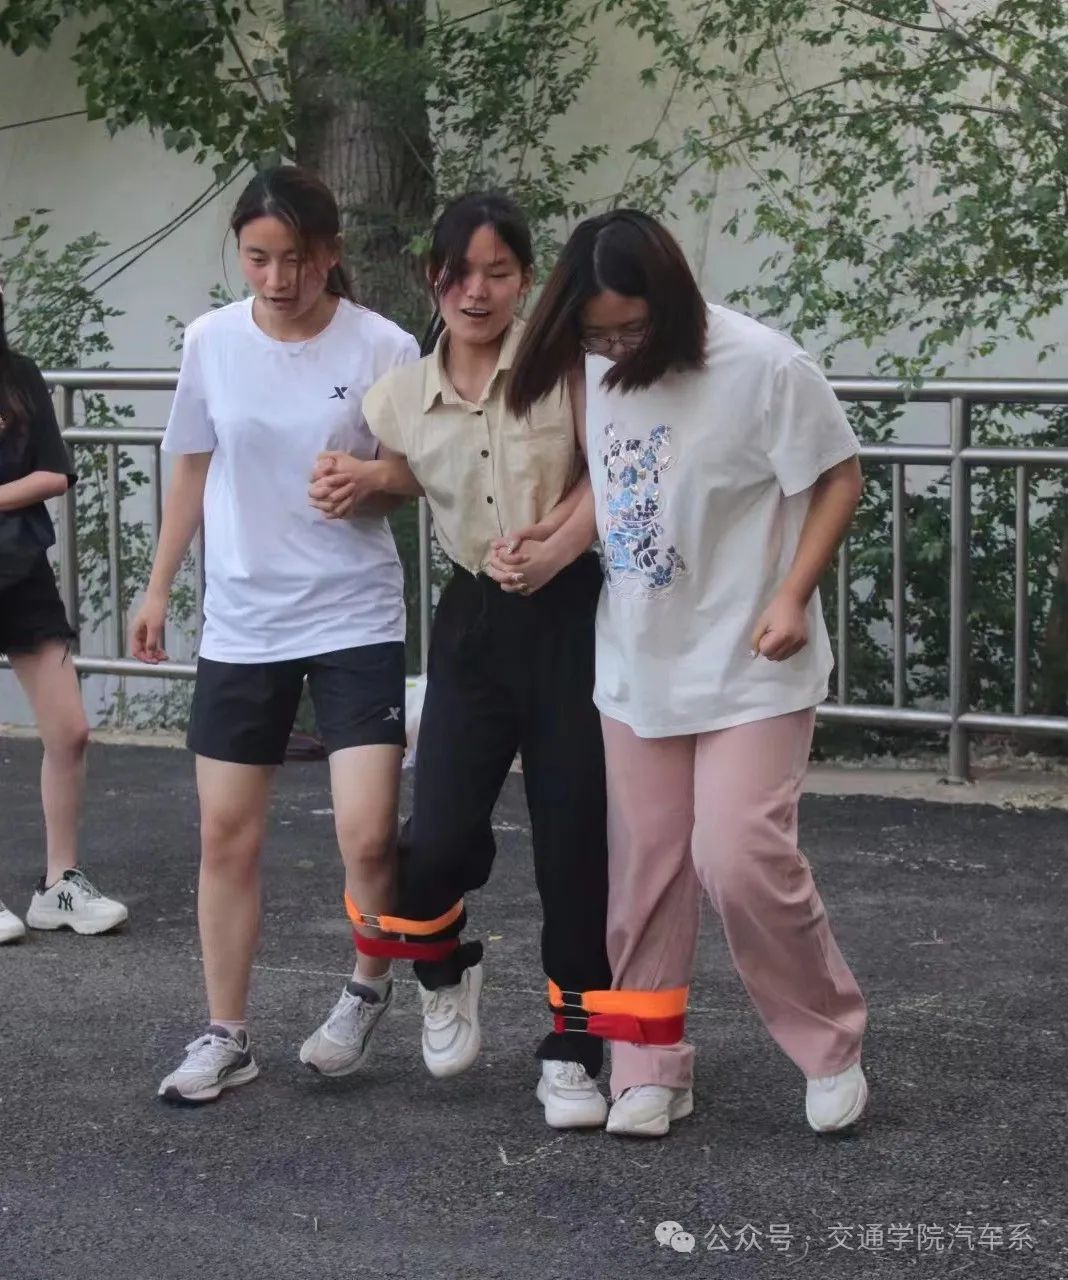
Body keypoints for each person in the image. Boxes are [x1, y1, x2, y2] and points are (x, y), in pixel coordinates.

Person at [505, 210, 869, 1139]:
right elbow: (619, 485)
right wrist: (551, 542)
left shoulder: (764, 366)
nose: (616, 350)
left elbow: (839, 478)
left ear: (670, 300)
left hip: (753, 658)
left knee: (739, 855)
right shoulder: (593, 364)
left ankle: (829, 1043)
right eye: (597, 336)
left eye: (631, 330)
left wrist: (793, 595)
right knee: (645, 875)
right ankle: (647, 1066)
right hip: (639, 660)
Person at [307, 192, 613, 1129]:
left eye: (498, 273)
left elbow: (610, 471)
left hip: (572, 611)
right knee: (436, 835)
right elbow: (415, 470)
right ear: (431, 278)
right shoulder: (396, 397)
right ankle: (443, 967)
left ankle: (575, 1046)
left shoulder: (570, 368)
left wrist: (555, 543)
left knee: (574, 843)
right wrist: (365, 477)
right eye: (458, 274)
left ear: (526, 278)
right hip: (474, 618)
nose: (476, 293)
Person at [130, 165, 418, 1103]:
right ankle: (227, 1033)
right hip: (245, 616)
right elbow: (189, 467)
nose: (278, 278)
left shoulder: (384, 344)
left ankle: (366, 988)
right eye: (258, 258)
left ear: (330, 254)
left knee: (367, 835)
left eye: (296, 258)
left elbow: (414, 472)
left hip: (353, 611)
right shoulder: (211, 340)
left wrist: (370, 482)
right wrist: (158, 586)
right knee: (225, 833)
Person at [0, 283, 127, 944]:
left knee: (69, 729)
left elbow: (56, 473)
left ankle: (60, 885)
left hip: (21, 570)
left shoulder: (18, 376)